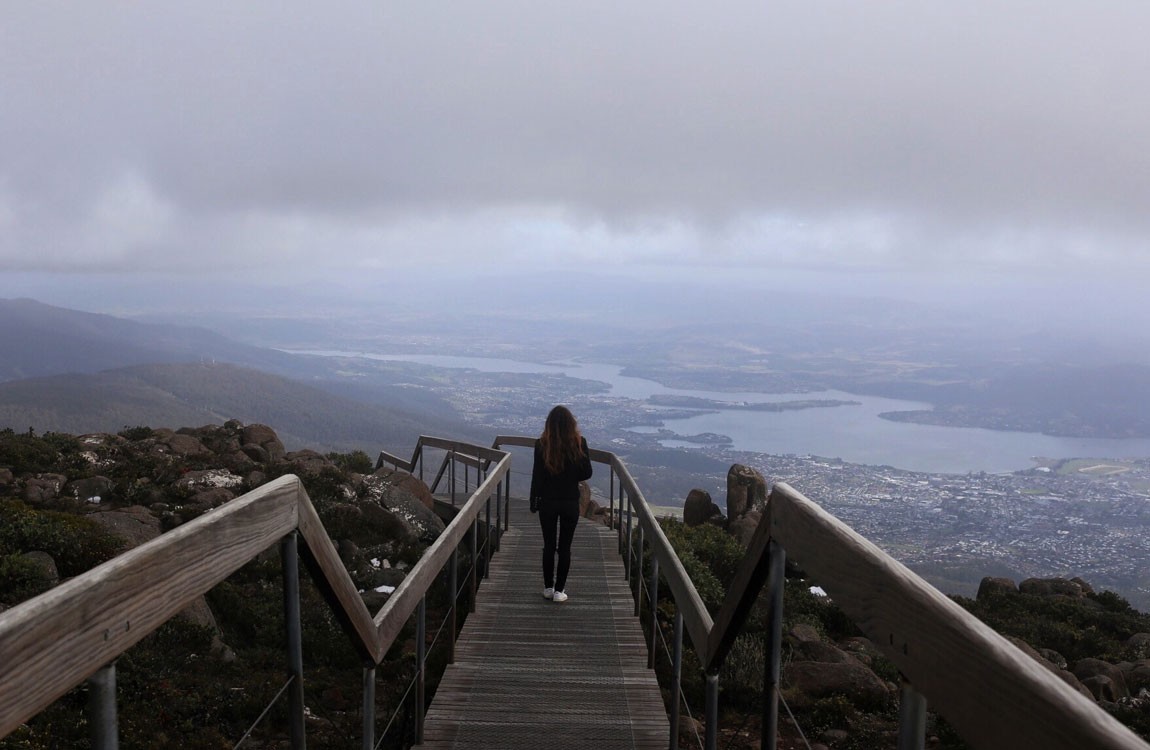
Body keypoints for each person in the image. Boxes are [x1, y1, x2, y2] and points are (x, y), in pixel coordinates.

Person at [529, 405, 593, 603]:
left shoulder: (541, 445)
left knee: (549, 545)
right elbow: (587, 473)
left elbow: (537, 476)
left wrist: (534, 500)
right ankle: (559, 591)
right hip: (570, 502)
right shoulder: (579, 443)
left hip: (547, 502)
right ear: (571, 424)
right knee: (565, 547)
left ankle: (548, 587)